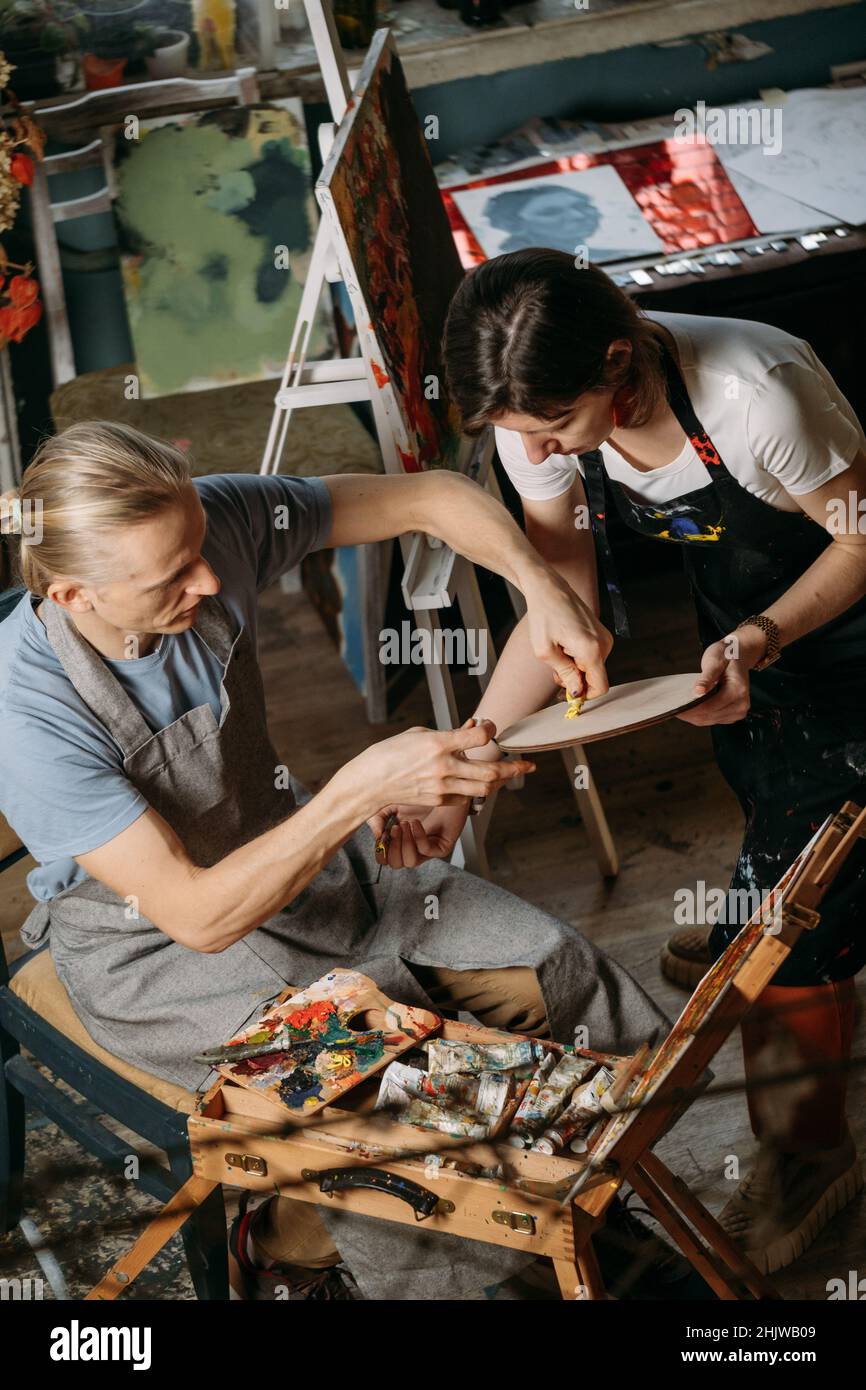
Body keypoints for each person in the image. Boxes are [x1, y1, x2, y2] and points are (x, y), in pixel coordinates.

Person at [0, 420, 673, 1301]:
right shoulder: (25, 714)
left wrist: (542, 589)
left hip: (304, 864)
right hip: (156, 952)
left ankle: (591, 1195)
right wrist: (357, 793)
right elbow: (199, 917)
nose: (208, 578)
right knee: (400, 1099)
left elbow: (436, 496)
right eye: (170, 577)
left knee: (555, 968)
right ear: (73, 593)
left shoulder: (211, 523)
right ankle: (294, 1248)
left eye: (200, 547)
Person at [441, 247, 866, 1275]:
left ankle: (807, 1153)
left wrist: (765, 631)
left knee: (791, 925)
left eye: (549, 431)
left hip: (843, 638)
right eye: (516, 437)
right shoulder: (532, 416)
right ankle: (754, 933)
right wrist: (472, 751)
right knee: (772, 815)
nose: (535, 451)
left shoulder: (754, 395)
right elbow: (558, 594)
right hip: (753, 642)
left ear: (618, 364)